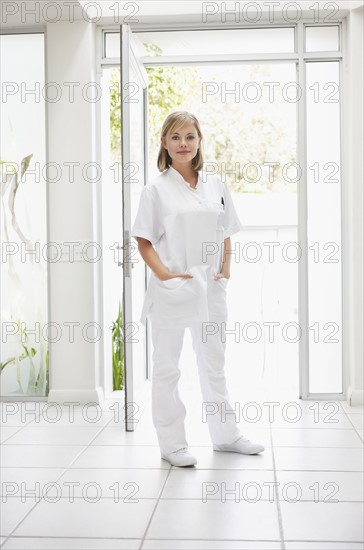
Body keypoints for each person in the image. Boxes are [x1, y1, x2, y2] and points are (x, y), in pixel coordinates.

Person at [131, 111, 264, 467]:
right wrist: (166, 276)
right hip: (173, 291)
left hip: (211, 291)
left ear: (199, 141)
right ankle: (172, 444)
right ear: (164, 142)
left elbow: (226, 230)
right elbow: (143, 242)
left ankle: (226, 436)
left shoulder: (215, 185)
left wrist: (226, 268)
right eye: (176, 137)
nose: (184, 144)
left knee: (213, 365)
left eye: (190, 136)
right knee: (167, 368)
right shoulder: (155, 190)